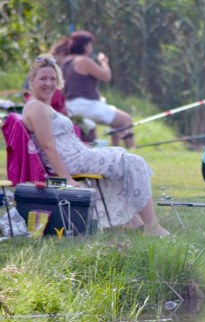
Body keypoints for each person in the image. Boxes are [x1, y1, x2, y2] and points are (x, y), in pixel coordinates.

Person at [22, 54, 169, 237]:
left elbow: (60, 140)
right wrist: (66, 178)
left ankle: (131, 221)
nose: (49, 83)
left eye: (53, 79)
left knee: (120, 154)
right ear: (32, 80)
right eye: (43, 78)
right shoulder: (37, 107)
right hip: (71, 162)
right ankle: (151, 226)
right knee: (134, 162)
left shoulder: (42, 105)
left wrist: (89, 149)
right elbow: (48, 146)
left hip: (79, 155)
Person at [61, 31, 135, 148]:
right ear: (86, 46)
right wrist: (104, 62)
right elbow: (106, 76)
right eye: (90, 45)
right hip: (87, 105)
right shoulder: (83, 61)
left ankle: (115, 151)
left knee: (116, 124)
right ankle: (132, 150)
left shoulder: (66, 62)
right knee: (126, 120)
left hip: (70, 105)